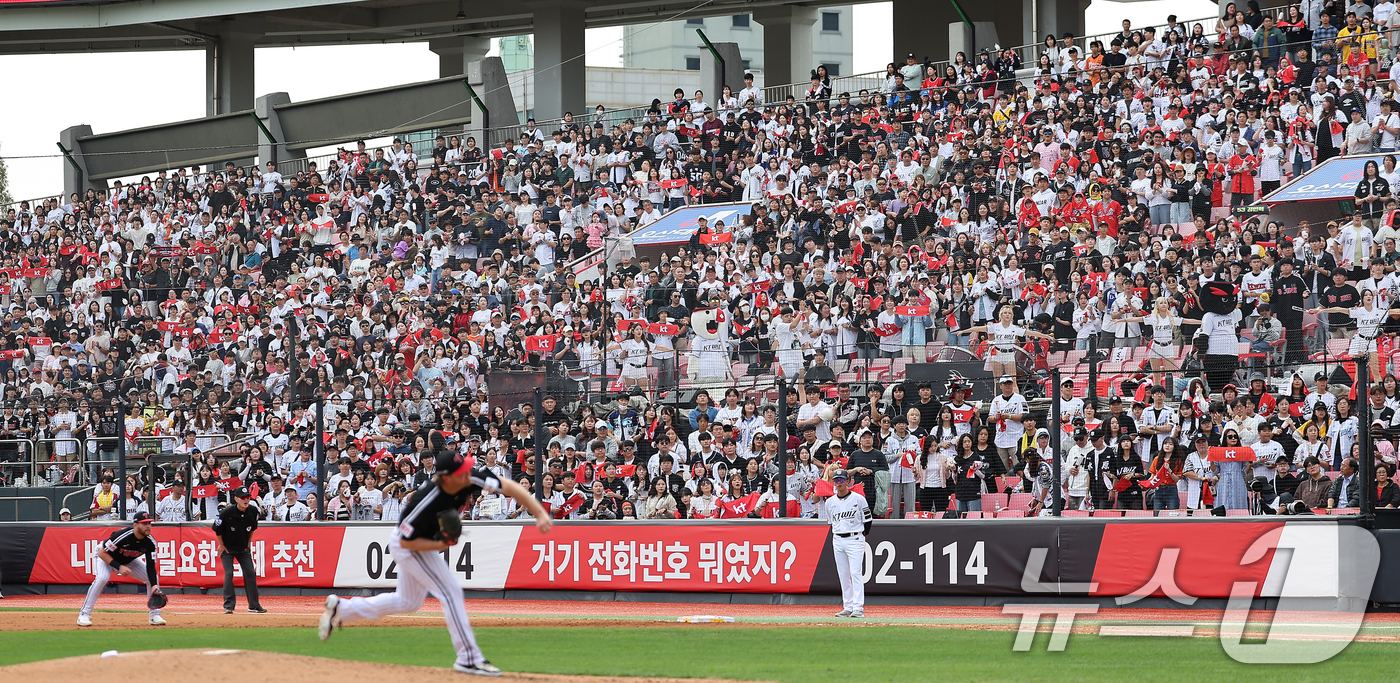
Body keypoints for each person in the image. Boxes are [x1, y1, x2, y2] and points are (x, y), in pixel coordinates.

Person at [319, 450, 552, 676]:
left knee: (407, 602)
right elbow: (405, 542)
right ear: (447, 477)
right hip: (410, 545)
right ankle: (468, 658)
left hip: (422, 541)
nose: (468, 473)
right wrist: (441, 545)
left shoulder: (469, 478)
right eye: (462, 471)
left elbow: (510, 486)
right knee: (450, 591)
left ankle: (343, 608)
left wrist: (539, 513)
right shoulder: (426, 501)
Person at [78, 512, 166, 627]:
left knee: (153, 579)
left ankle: (155, 615)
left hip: (127, 560)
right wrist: (119, 567)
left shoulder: (150, 542)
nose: (148, 526)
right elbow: (102, 553)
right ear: (135, 525)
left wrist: (154, 585)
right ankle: (84, 614)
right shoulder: (123, 535)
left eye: (149, 523)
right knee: (102, 578)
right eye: (144, 523)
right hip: (106, 557)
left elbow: (150, 565)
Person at [821, 468, 871, 618]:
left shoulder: (858, 498)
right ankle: (848, 606)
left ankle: (858, 608)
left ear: (848, 481)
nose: (838, 483)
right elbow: (831, 523)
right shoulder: (830, 502)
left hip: (855, 538)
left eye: (841, 480)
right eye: (836, 480)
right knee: (843, 574)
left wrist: (863, 535)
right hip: (838, 539)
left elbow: (868, 520)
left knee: (855, 573)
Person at [214, 486, 266, 614]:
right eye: (242, 498)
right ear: (236, 499)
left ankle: (254, 605)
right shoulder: (226, 513)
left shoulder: (253, 511)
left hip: (243, 548)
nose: (245, 500)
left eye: (247, 497)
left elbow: (253, 528)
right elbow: (217, 529)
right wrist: (221, 545)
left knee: (250, 574)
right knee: (229, 573)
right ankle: (229, 606)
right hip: (228, 548)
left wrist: (248, 543)